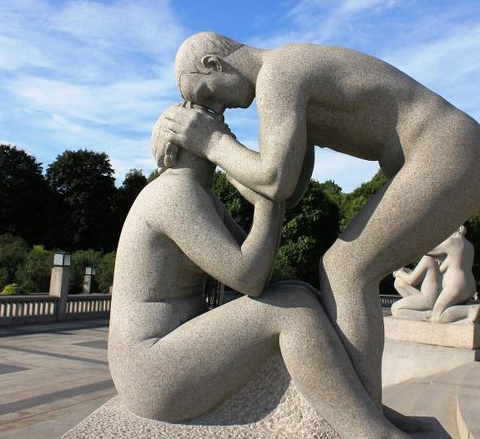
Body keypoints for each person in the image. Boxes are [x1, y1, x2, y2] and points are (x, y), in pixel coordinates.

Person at [162, 32, 480, 402]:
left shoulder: (279, 72)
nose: (220, 109)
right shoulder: (285, 75)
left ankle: (359, 416)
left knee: (345, 269)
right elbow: (287, 193)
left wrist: (211, 143)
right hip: (456, 150)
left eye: (209, 95)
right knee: (345, 268)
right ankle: (364, 413)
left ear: (213, 64)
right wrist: (222, 156)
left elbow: (274, 181)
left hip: (451, 149)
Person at [108, 103, 405, 438]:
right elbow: (249, 278)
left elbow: (263, 271)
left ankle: (365, 410)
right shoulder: (174, 193)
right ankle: (370, 432)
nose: (224, 134)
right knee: (293, 314)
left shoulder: (202, 198)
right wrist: (267, 195)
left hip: (167, 357)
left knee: (299, 292)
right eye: (211, 126)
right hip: (151, 373)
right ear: (179, 142)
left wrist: (262, 184)